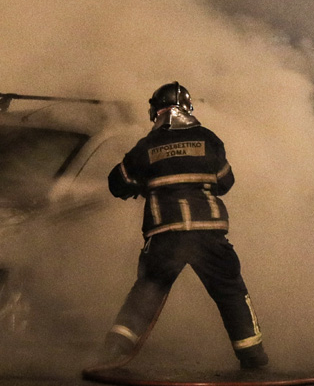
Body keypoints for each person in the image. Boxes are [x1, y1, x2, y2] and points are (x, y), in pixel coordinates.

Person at [99, 82, 268, 370]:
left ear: (155, 111)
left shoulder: (146, 146)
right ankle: (252, 356)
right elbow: (225, 181)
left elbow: (118, 184)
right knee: (230, 291)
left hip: (165, 235)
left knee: (146, 291)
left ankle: (113, 351)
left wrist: (143, 182)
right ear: (188, 109)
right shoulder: (208, 140)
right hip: (208, 234)